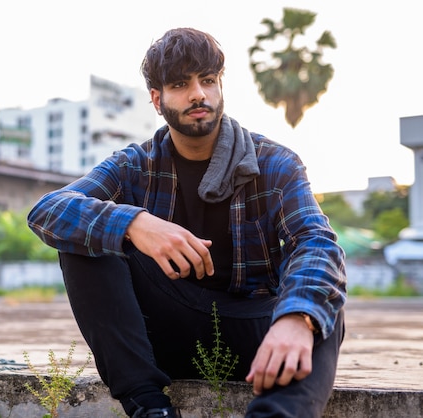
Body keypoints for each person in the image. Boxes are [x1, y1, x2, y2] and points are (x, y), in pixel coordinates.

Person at [27, 27, 346, 418]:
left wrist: (296, 318)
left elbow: (316, 241)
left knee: (320, 303)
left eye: (208, 81)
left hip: (255, 331)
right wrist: (136, 224)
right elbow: (48, 210)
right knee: (83, 239)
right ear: (158, 100)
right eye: (181, 84)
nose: (199, 94)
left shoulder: (274, 163)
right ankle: (150, 408)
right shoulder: (135, 165)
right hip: (169, 334)